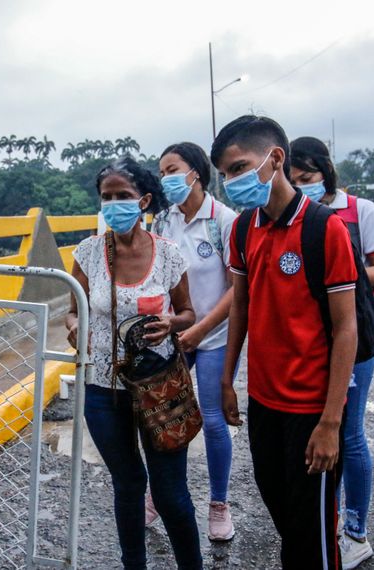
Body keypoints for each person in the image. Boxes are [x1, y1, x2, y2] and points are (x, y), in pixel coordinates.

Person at [213, 115, 358, 569]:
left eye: (238, 168)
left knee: (312, 534)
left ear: (276, 159)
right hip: (265, 403)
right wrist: (227, 378)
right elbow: (241, 305)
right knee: (283, 514)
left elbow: (346, 329)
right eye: (224, 174)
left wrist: (331, 423)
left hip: (312, 408)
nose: (231, 181)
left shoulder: (323, 228)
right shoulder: (242, 229)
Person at [65, 157, 201, 569]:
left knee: (170, 492)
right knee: (127, 484)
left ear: (142, 201)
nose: (113, 204)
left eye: (122, 196)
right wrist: (75, 327)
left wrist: (171, 323)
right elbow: (73, 311)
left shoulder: (168, 255)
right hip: (103, 390)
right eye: (106, 197)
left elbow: (189, 313)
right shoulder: (87, 253)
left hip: (158, 387)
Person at [291, 136, 374, 569]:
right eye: (294, 180)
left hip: (355, 335)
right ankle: (328, 519)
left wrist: (337, 274)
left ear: (326, 172)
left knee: (348, 433)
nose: (302, 186)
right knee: (316, 431)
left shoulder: (359, 211)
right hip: (312, 340)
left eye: (308, 178)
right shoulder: (293, 215)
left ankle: (356, 531)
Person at [151, 142, 238, 541]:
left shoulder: (224, 221)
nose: (166, 177)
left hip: (215, 335)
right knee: (164, 415)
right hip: (174, 333)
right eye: (162, 171)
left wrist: (201, 330)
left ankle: (219, 504)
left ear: (196, 174)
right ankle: (159, 494)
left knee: (215, 422)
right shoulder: (162, 223)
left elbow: (239, 289)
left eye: (173, 169)